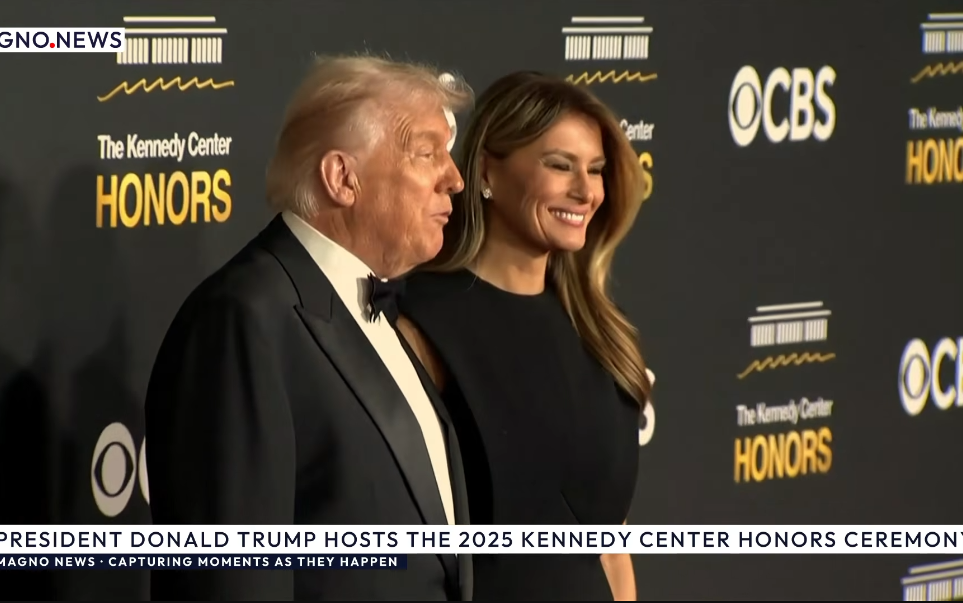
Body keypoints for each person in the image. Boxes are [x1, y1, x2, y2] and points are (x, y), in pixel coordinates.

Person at [144, 55, 474, 601]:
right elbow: (235, 576)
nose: (455, 179)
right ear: (342, 178)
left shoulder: (374, 303)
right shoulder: (243, 319)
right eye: (427, 153)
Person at [396, 71, 652, 601]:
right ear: (486, 170)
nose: (586, 191)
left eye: (596, 170)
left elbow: (612, 547)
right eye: (560, 165)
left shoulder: (602, 331)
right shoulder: (420, 322)